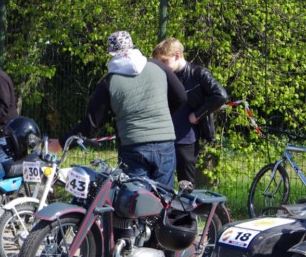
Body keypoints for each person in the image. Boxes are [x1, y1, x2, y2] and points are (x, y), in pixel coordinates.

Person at [64, 30, 186, 186]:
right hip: (164, 141)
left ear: (112, 54)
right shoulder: (158, 66)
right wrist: (163, 115)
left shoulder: (109, 81)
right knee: (164, 195)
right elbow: (181, 97)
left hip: (133, 144)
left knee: (135, 195)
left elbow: (92, 123)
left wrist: (62, 143)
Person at [151, 37, 228, 186]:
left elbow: (220, 96)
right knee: (160, 185)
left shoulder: (198, 74)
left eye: (164, 61)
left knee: (185, 184)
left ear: (177, 55)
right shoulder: (164, 76)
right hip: (164, 137)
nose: (162, 66)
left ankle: (185, 202)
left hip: (186, 138)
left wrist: (198, 114)